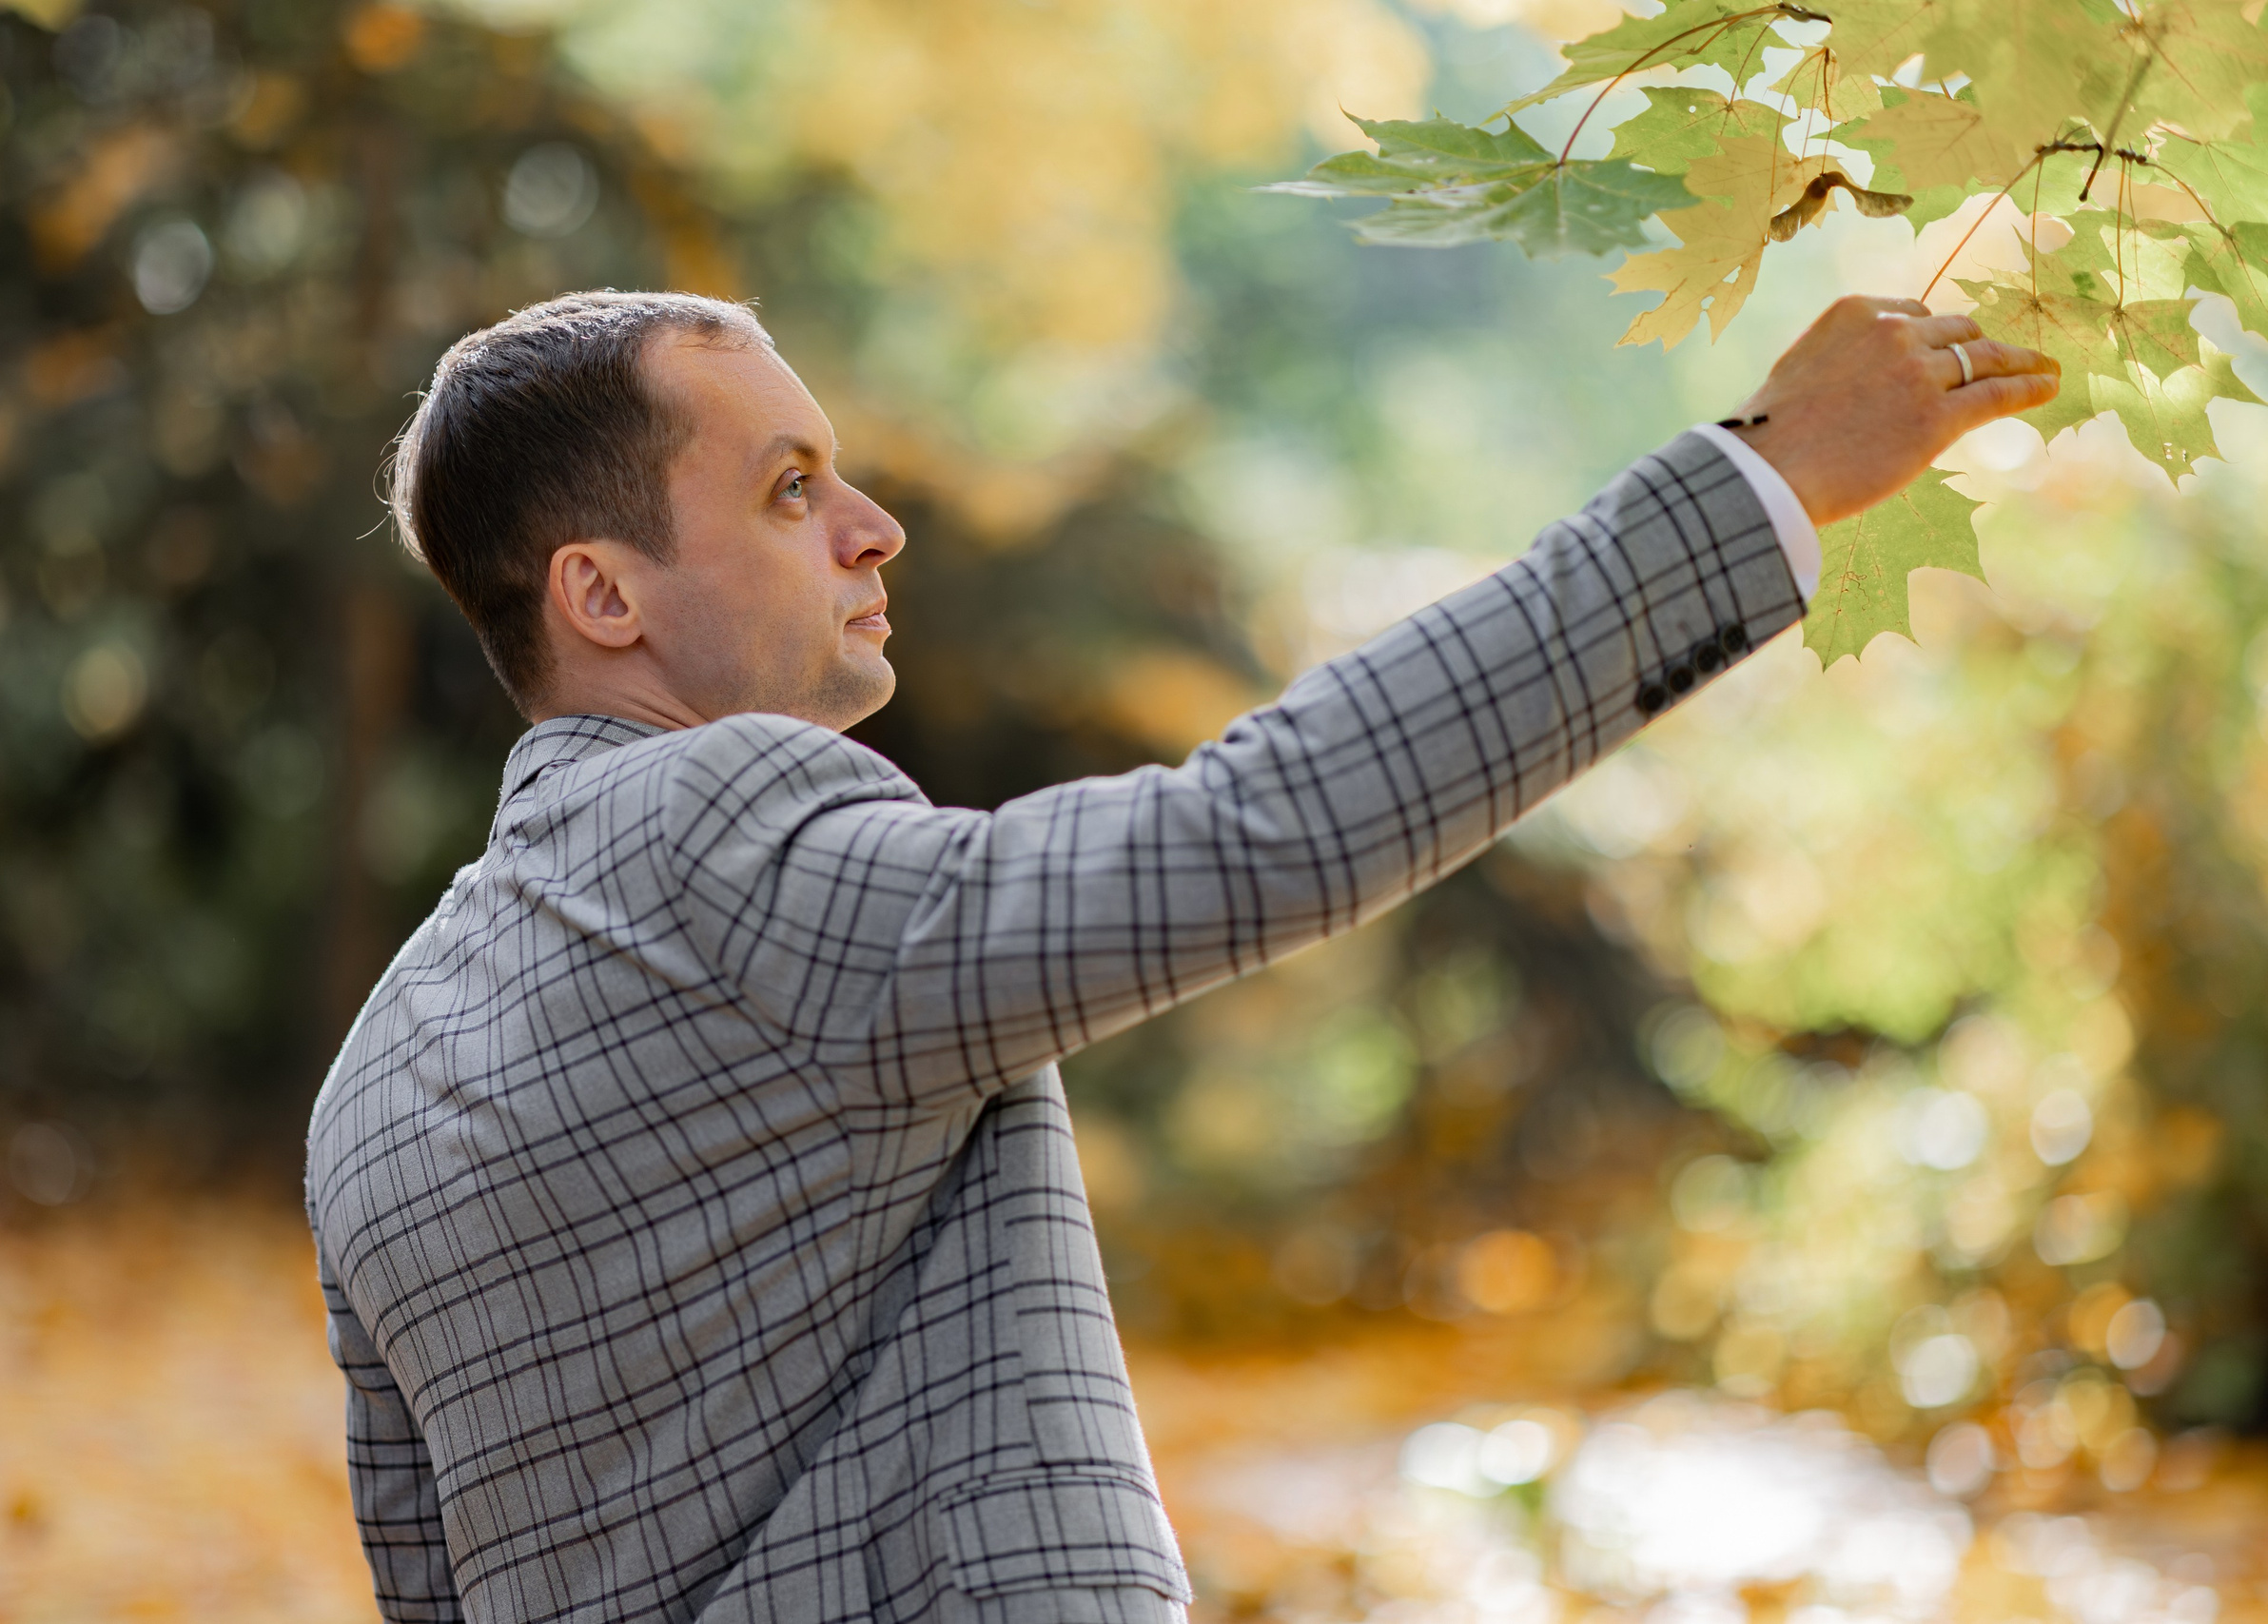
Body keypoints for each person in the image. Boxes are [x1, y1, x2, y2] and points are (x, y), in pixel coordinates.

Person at [304, 288, 2058, 1624]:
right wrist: (1763, 475)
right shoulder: (719, 835)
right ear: (605, 599)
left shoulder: (368, 1085)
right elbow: (1262, 833)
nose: (874, 528)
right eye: (788, 490)